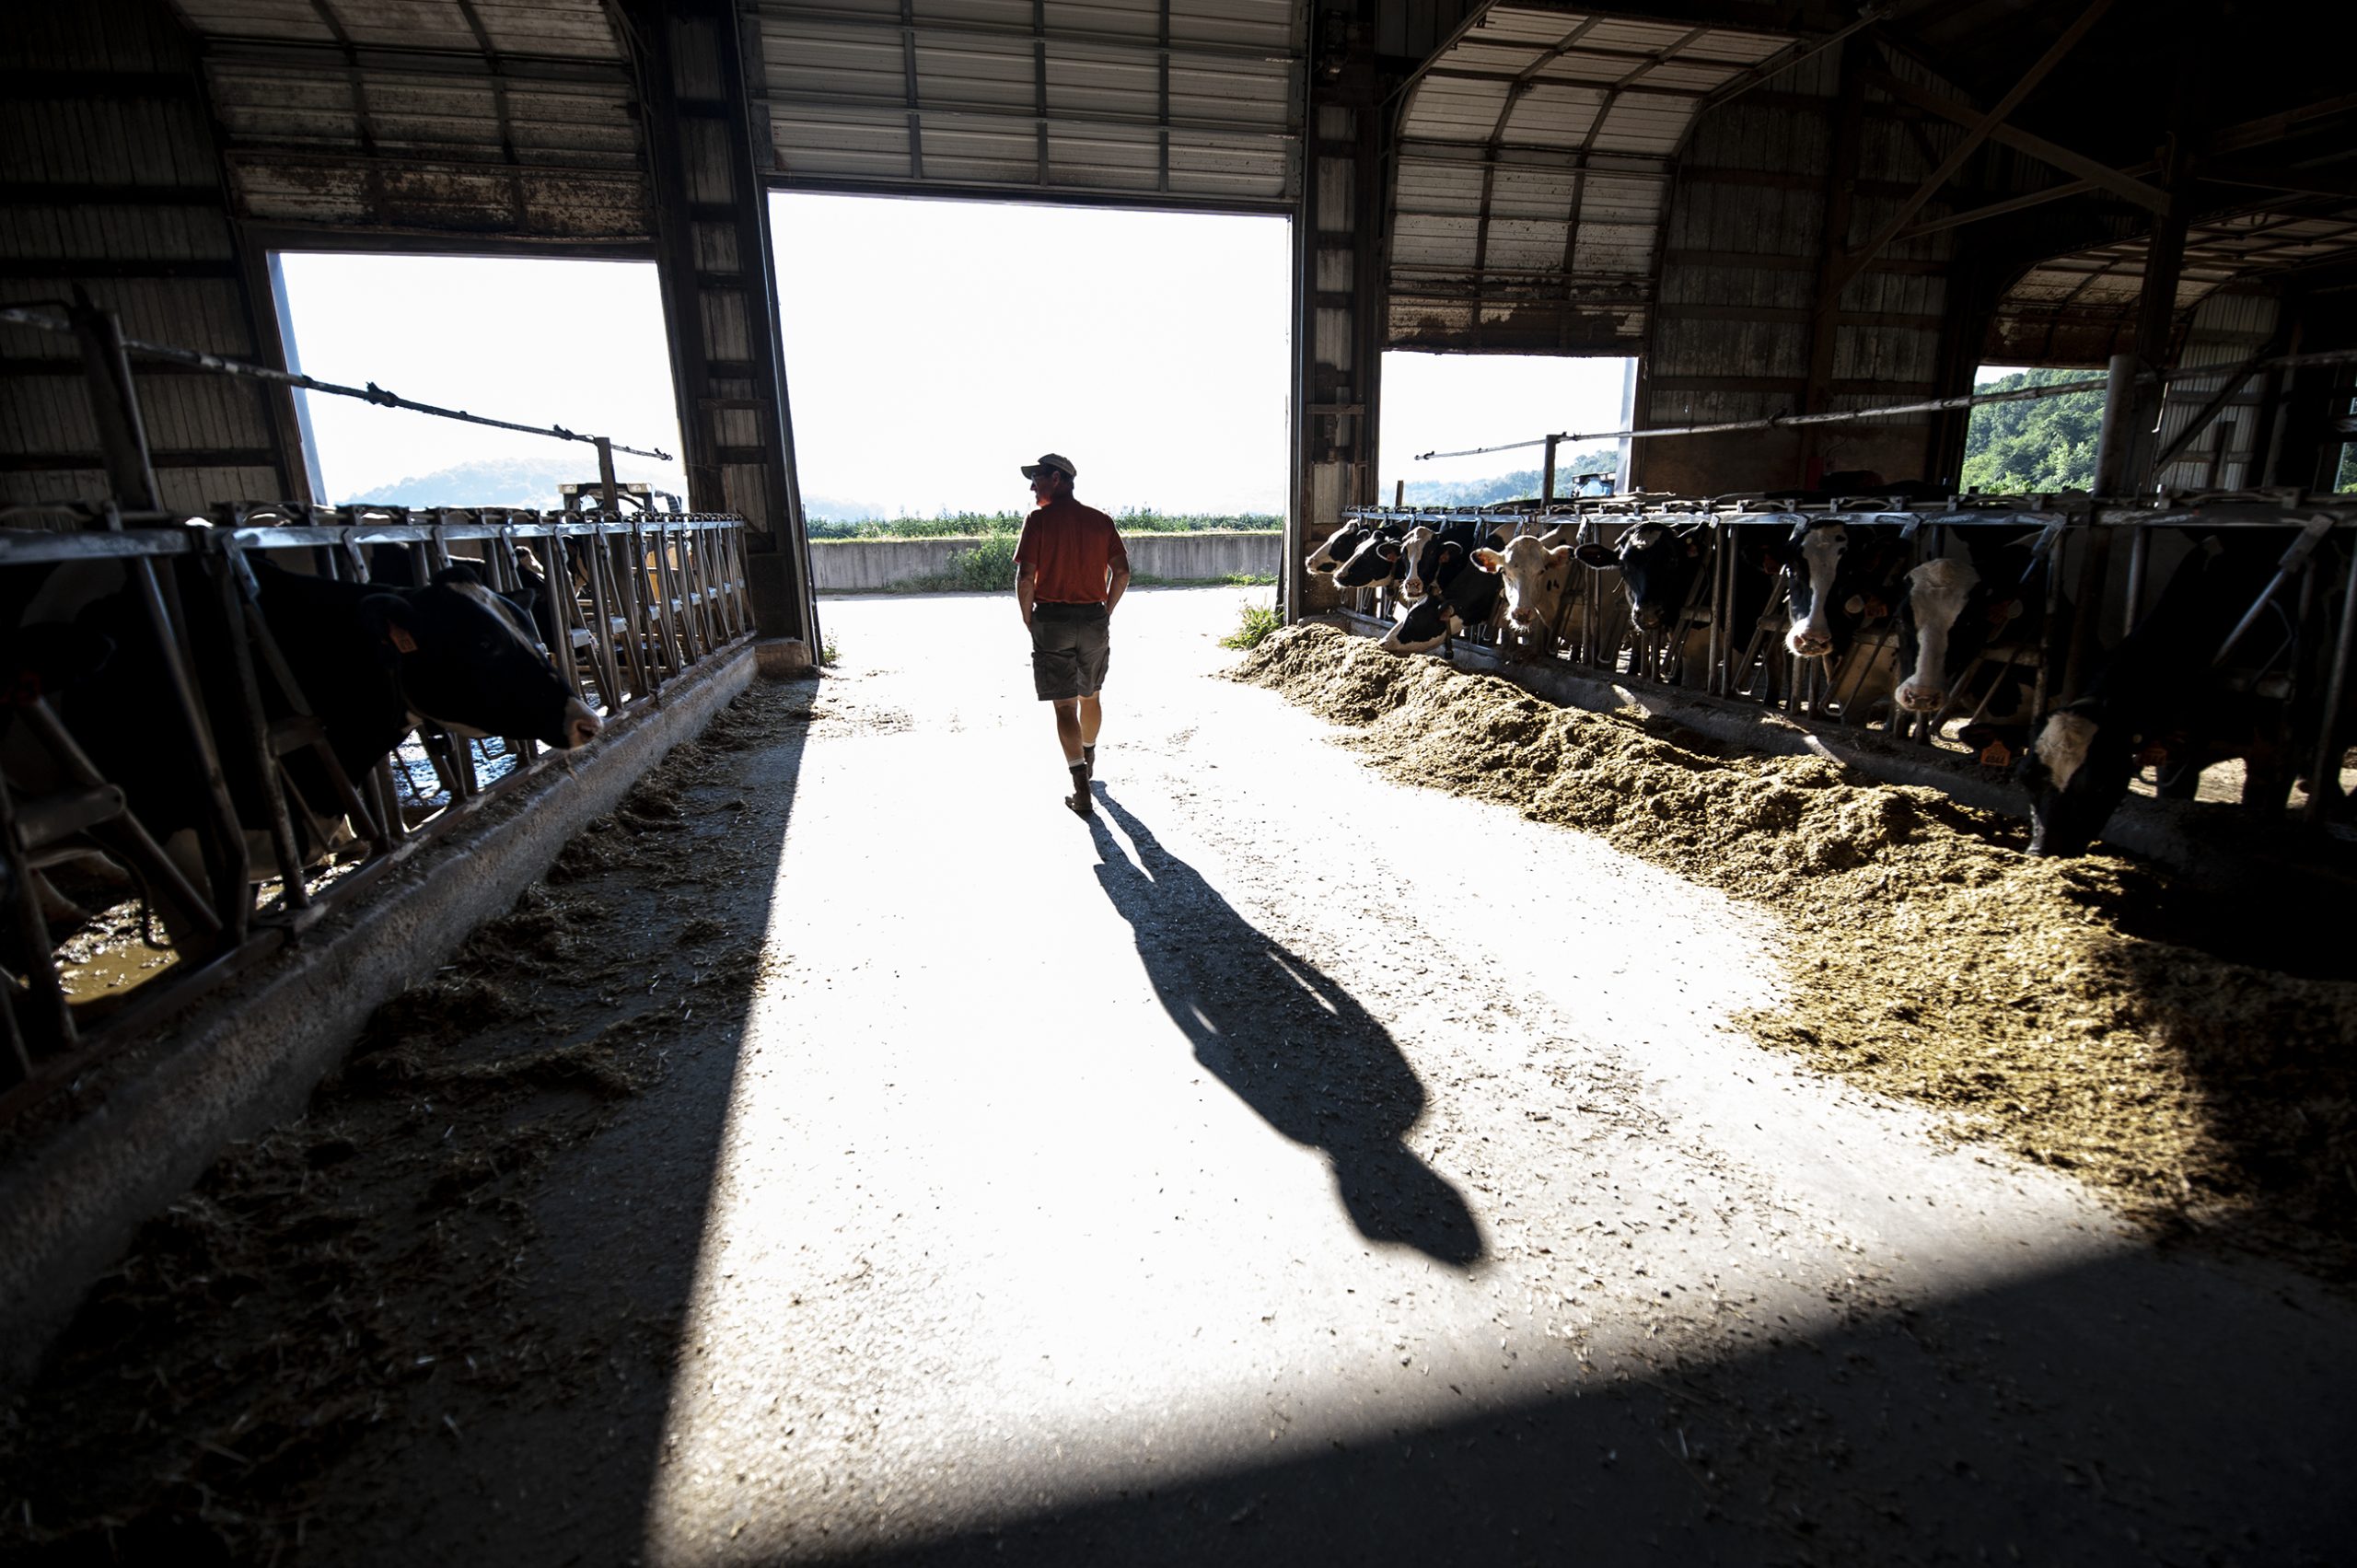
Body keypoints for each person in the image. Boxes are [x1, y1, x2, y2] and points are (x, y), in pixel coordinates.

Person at [1012, 452, 1130, 818]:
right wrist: (1104, 611)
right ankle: (1089, 756)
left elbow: (1026, 577)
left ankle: (1081, 789)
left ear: (1057, 479)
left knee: (1065, 706)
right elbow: (1122, 573)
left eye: (1038, 479)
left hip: (1052, 619)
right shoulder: (1101, 521)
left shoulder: (1038, 521)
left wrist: (1028, 618)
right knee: (1090, 696)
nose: (1032, 486)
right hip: (1093, 618)